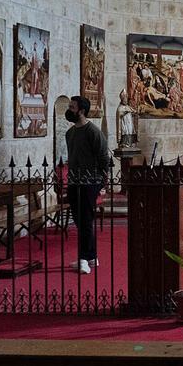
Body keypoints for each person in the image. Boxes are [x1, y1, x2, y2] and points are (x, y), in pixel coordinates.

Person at [65, 95, 110, 274]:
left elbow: (104, 158)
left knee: (85, 221)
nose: (69, 110)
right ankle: (91, 257)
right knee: (79, 221)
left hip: (89, 183)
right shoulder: (70, 133)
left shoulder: (93, 132)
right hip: (74, 181)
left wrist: (99, 181)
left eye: (72, 107)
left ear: (81, 111)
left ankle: (83, 258)